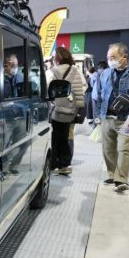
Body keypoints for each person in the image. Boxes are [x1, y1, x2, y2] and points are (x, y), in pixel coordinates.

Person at [93, 43, 129, 193]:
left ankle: (121, 180)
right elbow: (98, 95)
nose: (110, 60)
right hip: (107, 117)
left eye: (113, 57)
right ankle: (112, 175)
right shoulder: (105, 73)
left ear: (124, 56)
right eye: (108, 57)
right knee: (108, 149)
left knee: (124, 148)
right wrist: (98, 116)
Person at [49, 47, 87, 175]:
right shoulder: (76, 70)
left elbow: (47, 89)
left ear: (57, 58)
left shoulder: (53, 71)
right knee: (66, 136)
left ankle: (54, 164)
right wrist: (72, 99)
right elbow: (84, 86)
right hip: (71, 110)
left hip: (57, 110)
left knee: (55, 137)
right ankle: (65, 164)